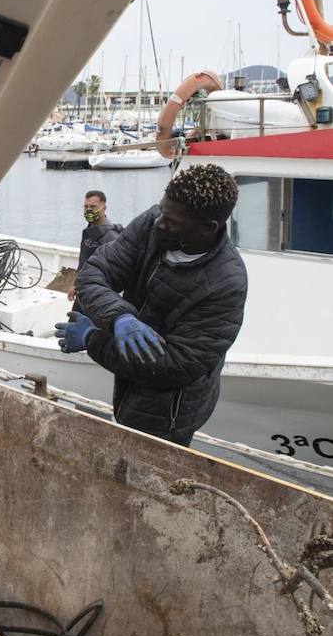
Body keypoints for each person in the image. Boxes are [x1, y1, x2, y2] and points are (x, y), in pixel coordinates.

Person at [55, 164, 246, 447]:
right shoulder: (154, 222)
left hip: (170, 413)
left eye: (172, 221)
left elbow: (175, 366)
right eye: (162, 210)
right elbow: (93, 273)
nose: (160, 223)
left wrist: (91, 338)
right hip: (129, 389)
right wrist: (119, 316)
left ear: (207, 228)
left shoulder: (226, 283)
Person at [68, 189, 121, 304]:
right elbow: (84, 260)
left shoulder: (110, 236)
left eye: (93, 207)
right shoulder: (89, 229)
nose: (88, 210)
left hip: (98, 294)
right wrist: (76, 283)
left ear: (104, 208)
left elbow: (113, 272)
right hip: (83, 288)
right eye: (86, 207)